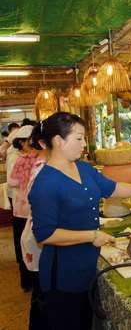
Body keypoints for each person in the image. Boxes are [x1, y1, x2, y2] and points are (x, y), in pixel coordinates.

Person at [28, 112, 131, 330]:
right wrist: (92, 235)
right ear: (59, 141)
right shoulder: (46, 183)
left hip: (87, 265)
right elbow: (45, 234)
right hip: (63, 274)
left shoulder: (83, 168)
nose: (84, 144)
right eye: (78, 138)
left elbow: (112, 188)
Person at [19, 123, 50, 330]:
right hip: (40, 237)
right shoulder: (42, 169)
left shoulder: (46, 164)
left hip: (37, 232)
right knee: (44, 296)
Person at [8, 125, 35, 291]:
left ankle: (26, 281)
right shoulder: (37, 159)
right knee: (30, 243)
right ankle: (31, 279)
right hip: (31, 207)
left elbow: (12, 182)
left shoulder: (20, 159)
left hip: (20, 207)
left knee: (24, 243)